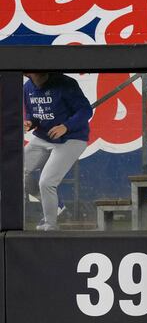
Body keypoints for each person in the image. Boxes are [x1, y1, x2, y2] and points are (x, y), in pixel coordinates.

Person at [23, 73, 92, 231]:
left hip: (72, 138)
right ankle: (57, 206)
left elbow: (85, 110)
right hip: (43, 137)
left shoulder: (65, 83)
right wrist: (30, 122)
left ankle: (50, 225)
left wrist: (66, 126)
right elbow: (32, 114)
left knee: (46, 182)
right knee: (15, 172)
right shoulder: (27, 87)